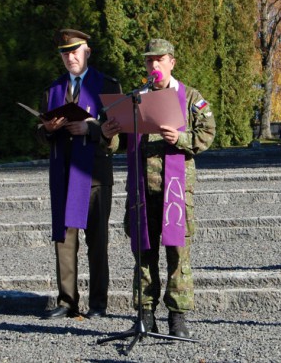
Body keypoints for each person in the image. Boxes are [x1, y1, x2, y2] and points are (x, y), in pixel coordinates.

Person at [104, 38, 215, 337]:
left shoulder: (190, 97)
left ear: (172, 62)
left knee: (178, 253)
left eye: (159, 59)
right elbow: (120, 142)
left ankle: (177, 317)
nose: (153, 65)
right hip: (142, 190)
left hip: (175, 190)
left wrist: (178, 139)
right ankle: (145, 315)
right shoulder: (135, 98)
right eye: (149, 60)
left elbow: (208, 133)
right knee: (143, 254)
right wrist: (108, 134)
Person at [36, 29, 122, 319]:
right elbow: (39, 135)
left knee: (97, 242)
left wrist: (91, 128)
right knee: (64, 240)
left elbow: (118, 135)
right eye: (64, 53)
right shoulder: (52, 90)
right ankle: (67, 301)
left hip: (94, 174)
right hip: (63, 173)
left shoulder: (107, 86)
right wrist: (47, 129)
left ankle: (98, 303)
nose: (70, 57)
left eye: (75, 51)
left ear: (88, 51)